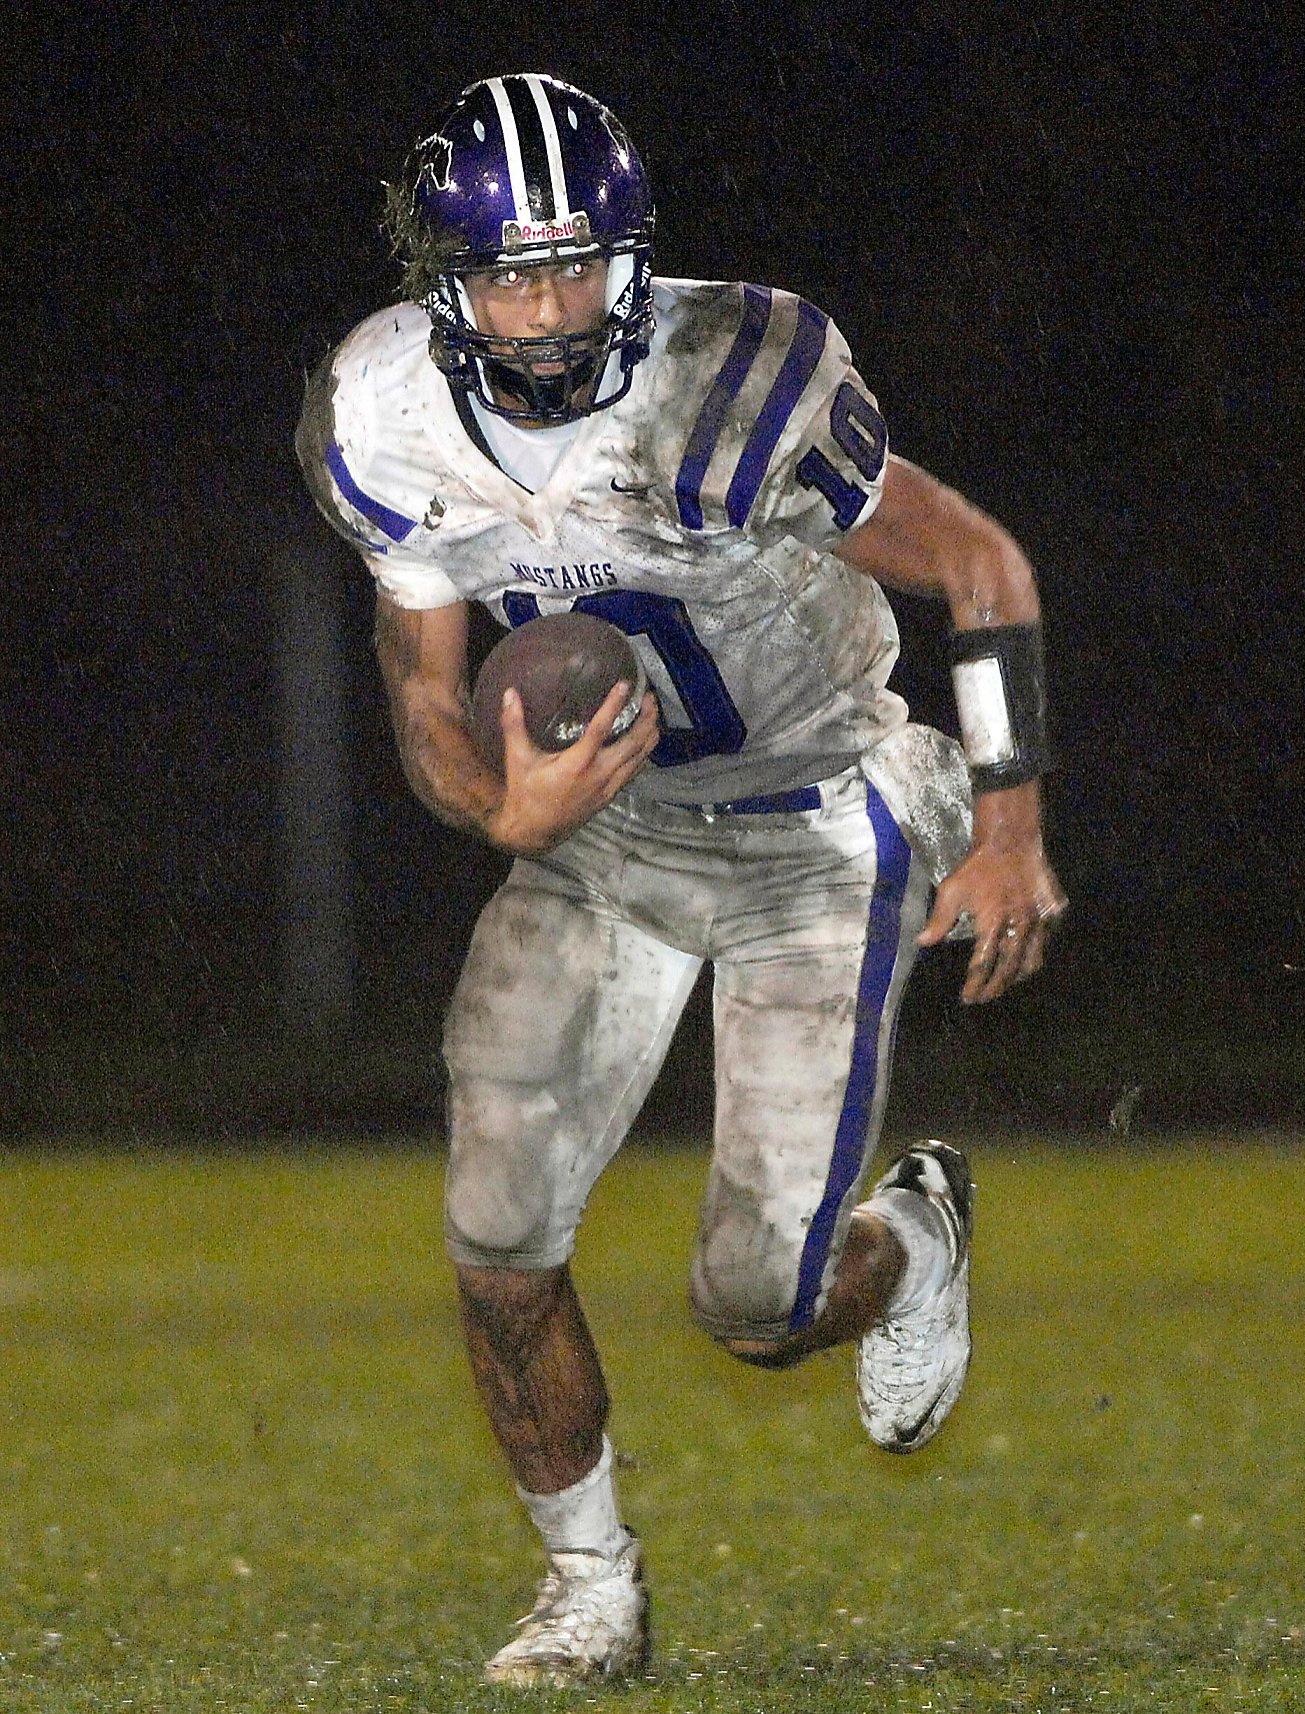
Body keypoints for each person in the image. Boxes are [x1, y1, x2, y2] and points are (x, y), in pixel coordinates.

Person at [296, 73, 1064, 1686]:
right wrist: (504, 812)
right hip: (613, 838)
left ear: (635, 255)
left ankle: (914, 1236)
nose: (554, 307)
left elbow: (982, 563)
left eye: (580, 264)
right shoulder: (385, 413)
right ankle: (590, 1584)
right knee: (496, 1241)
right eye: (512, 272)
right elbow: (424, 683)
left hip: (817, 810)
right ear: (443, 281)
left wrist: (1007, 824)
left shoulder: (742, 375)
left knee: (758, 1303)